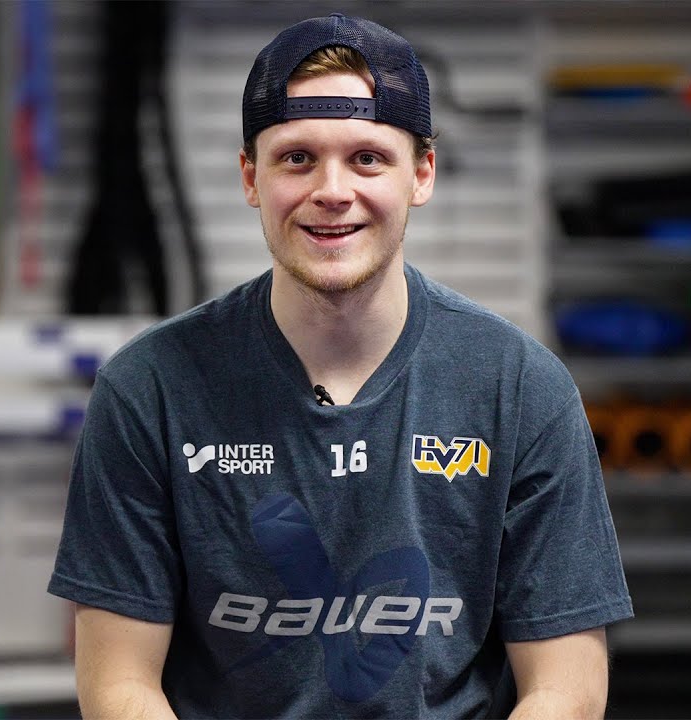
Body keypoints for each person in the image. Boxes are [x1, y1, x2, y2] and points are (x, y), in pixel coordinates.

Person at [49, 12, 633, 719]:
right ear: (250, 177)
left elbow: (565, 690)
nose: (331, 190)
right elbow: (119, 684)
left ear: (421, 173)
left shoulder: (520, 389)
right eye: (297, 158)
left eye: (367, 158)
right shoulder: (148, 388)